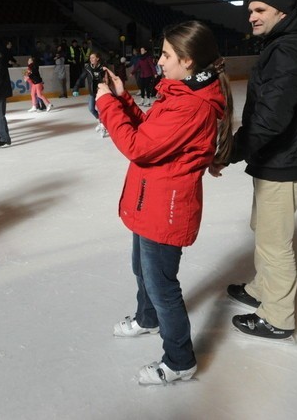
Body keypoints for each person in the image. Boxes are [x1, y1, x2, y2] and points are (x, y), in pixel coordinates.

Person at [97, 20, 233, 384]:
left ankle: (179, 360)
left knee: (161, 285)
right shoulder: (179, 93)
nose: (160, 61)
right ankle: (147, 318)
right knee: (142, 270)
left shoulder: (192, 105)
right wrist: (123, 97)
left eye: (167, 55)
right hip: (150, 201)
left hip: (166, 207)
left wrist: (107, 105)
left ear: (188, 61)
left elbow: (138, 146)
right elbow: (151, 133)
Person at [213, 0, 297, 342]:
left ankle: (278, 317)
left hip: (285, 158)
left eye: (260, 9)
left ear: (283, 11)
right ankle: (261, 289)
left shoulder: (289, 49)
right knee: (262, 230)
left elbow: (271, 117)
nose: (252, 16)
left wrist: (230, 151)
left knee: (274, 242)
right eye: (250, 10)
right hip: (282, 156)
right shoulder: (294, 44)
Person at [73, 51, 109, 138]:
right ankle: (101, 122)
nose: (91, 59)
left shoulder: (103, 68)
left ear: (97, 58)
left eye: (93, 58)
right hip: (92, 93)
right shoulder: (88, 68)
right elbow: (81, 78)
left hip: (101, 93)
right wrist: (76, 88)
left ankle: (103, 127)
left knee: (101, 110)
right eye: (90, 58)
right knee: (91, 108)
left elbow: (108, 80)